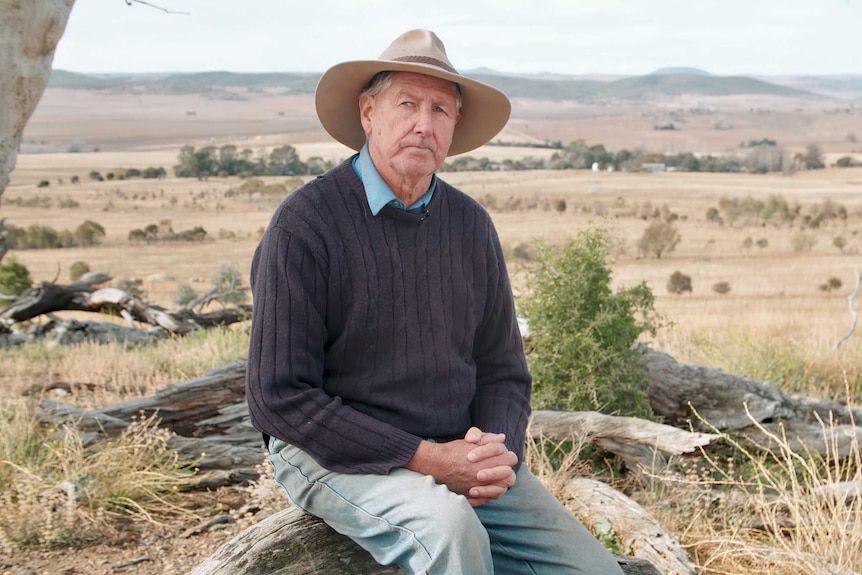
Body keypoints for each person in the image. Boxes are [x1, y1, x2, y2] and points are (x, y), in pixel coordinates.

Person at [246, 29, 625, 575]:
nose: (424, 124)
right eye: (408, 104)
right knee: (451, 534)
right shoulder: (306, 225)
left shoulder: (470, 225)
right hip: (329, 453)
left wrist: (494, 454)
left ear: (454, 127)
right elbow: (279, 399)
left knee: (595, 570)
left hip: (456, 451)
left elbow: (503, 371)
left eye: (441, 110)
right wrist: (426, 459)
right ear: (368, 112)